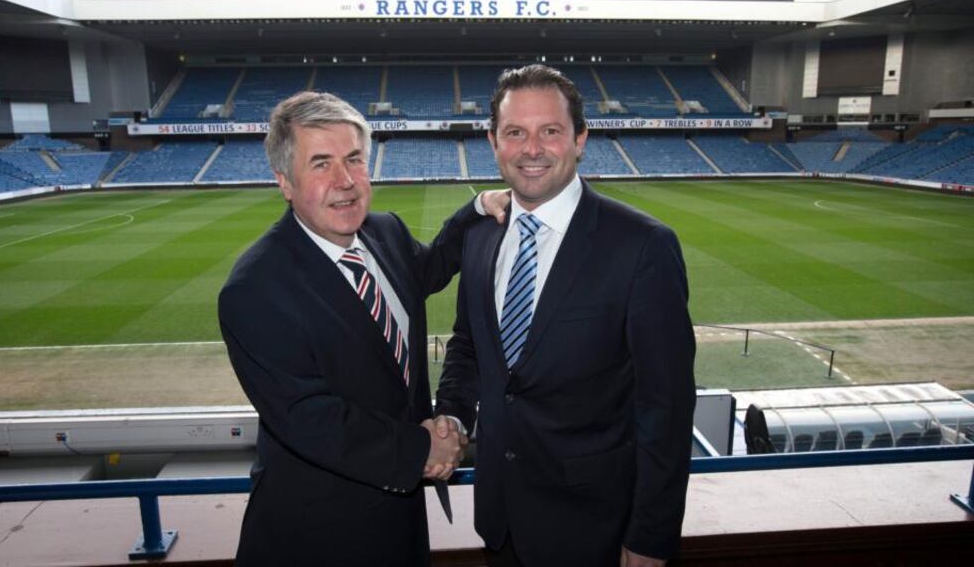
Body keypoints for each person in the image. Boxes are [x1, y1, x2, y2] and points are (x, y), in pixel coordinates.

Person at [218, 91, 507, 566]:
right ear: (284, 182)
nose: (346, 181)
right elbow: (311, 419)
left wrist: (476, 210)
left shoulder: (384, 231)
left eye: (354, 159)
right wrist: (424, 448)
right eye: (321, 164)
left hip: (399, 523)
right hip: (319, 536)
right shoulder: (255, 289)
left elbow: (430, 268)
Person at [434, 65, 697, 567]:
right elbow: (469, 344)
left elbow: (665, 408)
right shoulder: (482, 234)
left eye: (549, 131)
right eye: (515, 132)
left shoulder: (643, 246)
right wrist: (452, 413)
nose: (531, 149)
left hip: (595, 529)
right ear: (494, 141)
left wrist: (650, 536)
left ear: (580, 139)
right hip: (500, 520)